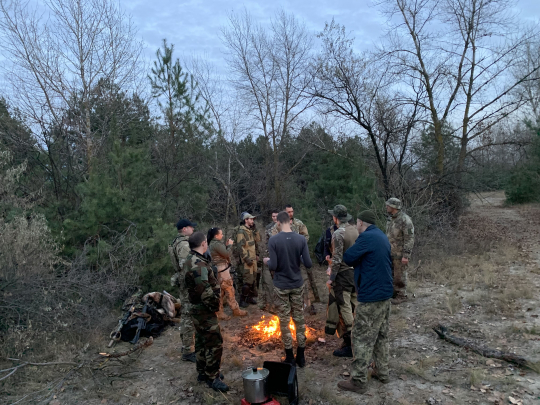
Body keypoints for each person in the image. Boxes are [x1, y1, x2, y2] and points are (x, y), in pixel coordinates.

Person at [337, 210, 393, 394]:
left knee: (361, 337)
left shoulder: (367, 238)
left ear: (361, 223)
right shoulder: (381, 236)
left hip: (371, 296)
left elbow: (349, 257)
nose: (357, 226)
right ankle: (382, 372)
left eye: (358, 223)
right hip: (385, 294)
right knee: (381, 335)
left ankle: (359, 380)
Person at [263, 211, 312, 368]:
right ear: (290, 222)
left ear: (278, 223)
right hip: (297, 284)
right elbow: (309, 263)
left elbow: (274, 265)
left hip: (281, 286)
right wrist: (298, 257)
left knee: (284, 321)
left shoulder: (274, 240)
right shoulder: (301, 239)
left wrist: (267, 261)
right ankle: (302, 356)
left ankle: (290, 356)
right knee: (299, 319)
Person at [184, 232, 229, 392]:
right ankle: (212, 377)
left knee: (202, 341)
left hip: (198, 309)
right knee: (214, 342)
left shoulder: (192, 259)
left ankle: (203, 372)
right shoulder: (198, 264)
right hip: (204, 310)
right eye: (206, 242)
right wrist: (215, 306)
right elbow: (205, 290)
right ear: (203, 243)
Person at [270, 205, 321, 310]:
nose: (291, 214)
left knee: (304, 280)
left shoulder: (299, 223)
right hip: (286, 258)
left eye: (292, 211)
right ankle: (289, 305)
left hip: (301, 255)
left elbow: (306, 236)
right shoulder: (276, 227)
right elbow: (274, 240)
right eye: (288, 212)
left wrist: (300, 246)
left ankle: (308, 303)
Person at [324, 205, 359, 358]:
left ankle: (352, 344)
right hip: (355, 273)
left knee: (344, 308)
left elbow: (337, 259)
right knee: (354, 306)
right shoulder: (355, 229)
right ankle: (354, 339)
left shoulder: (339, 233)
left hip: (343, 275)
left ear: (335, 218)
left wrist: (331, 279)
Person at [169, 218, 197, 362]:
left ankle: (188, 346)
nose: (193, 230)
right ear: (185, 229)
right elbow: (187, 266)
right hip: (187, 285)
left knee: (188, 315)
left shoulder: (176, 242)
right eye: (191, 228)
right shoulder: (184, 244)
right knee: (188, 316)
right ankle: (188, 350)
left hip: (184, 283)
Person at [207, 228, 247, 320]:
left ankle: (220, 312)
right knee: (229, 289)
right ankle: (235, 309)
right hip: (222, 270)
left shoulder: (213, 243)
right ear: (216, 236)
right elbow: (227, 254)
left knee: (220, 292)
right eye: (221, 234)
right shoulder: (216, 244)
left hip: (219, 270)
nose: (222, 235)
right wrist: (230, 245)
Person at [385, 197, 415, 304]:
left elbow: (409, 238)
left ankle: (402, 295)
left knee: (400, 275)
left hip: (400, 253)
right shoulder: (390, 219)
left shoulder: (405, 220)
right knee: (391, 274)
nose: (386, 207)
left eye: (388, 205)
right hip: (390, 253)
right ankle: (393, 294)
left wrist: (406, 255)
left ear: (394, 207)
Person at [234, 212, 259, 308]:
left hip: (253, 259)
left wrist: (257, 254)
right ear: (246, 220)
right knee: (247, 281)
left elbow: (257, 241)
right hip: (247, 260)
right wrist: (246, 259)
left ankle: (250, 298)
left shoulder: (250, 230)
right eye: (251, 219)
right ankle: (242, 300)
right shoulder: (241, 231)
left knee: (253, 280)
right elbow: (240, 247)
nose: (252, 221)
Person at [258, 210, 280, 313]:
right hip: (272, 255)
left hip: (282, 255)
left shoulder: (283, 226)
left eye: (276, 216)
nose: (275, 218)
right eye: (273, 216)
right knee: (269, 280)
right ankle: (270, 302)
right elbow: (267, 242)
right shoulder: (268, 227)